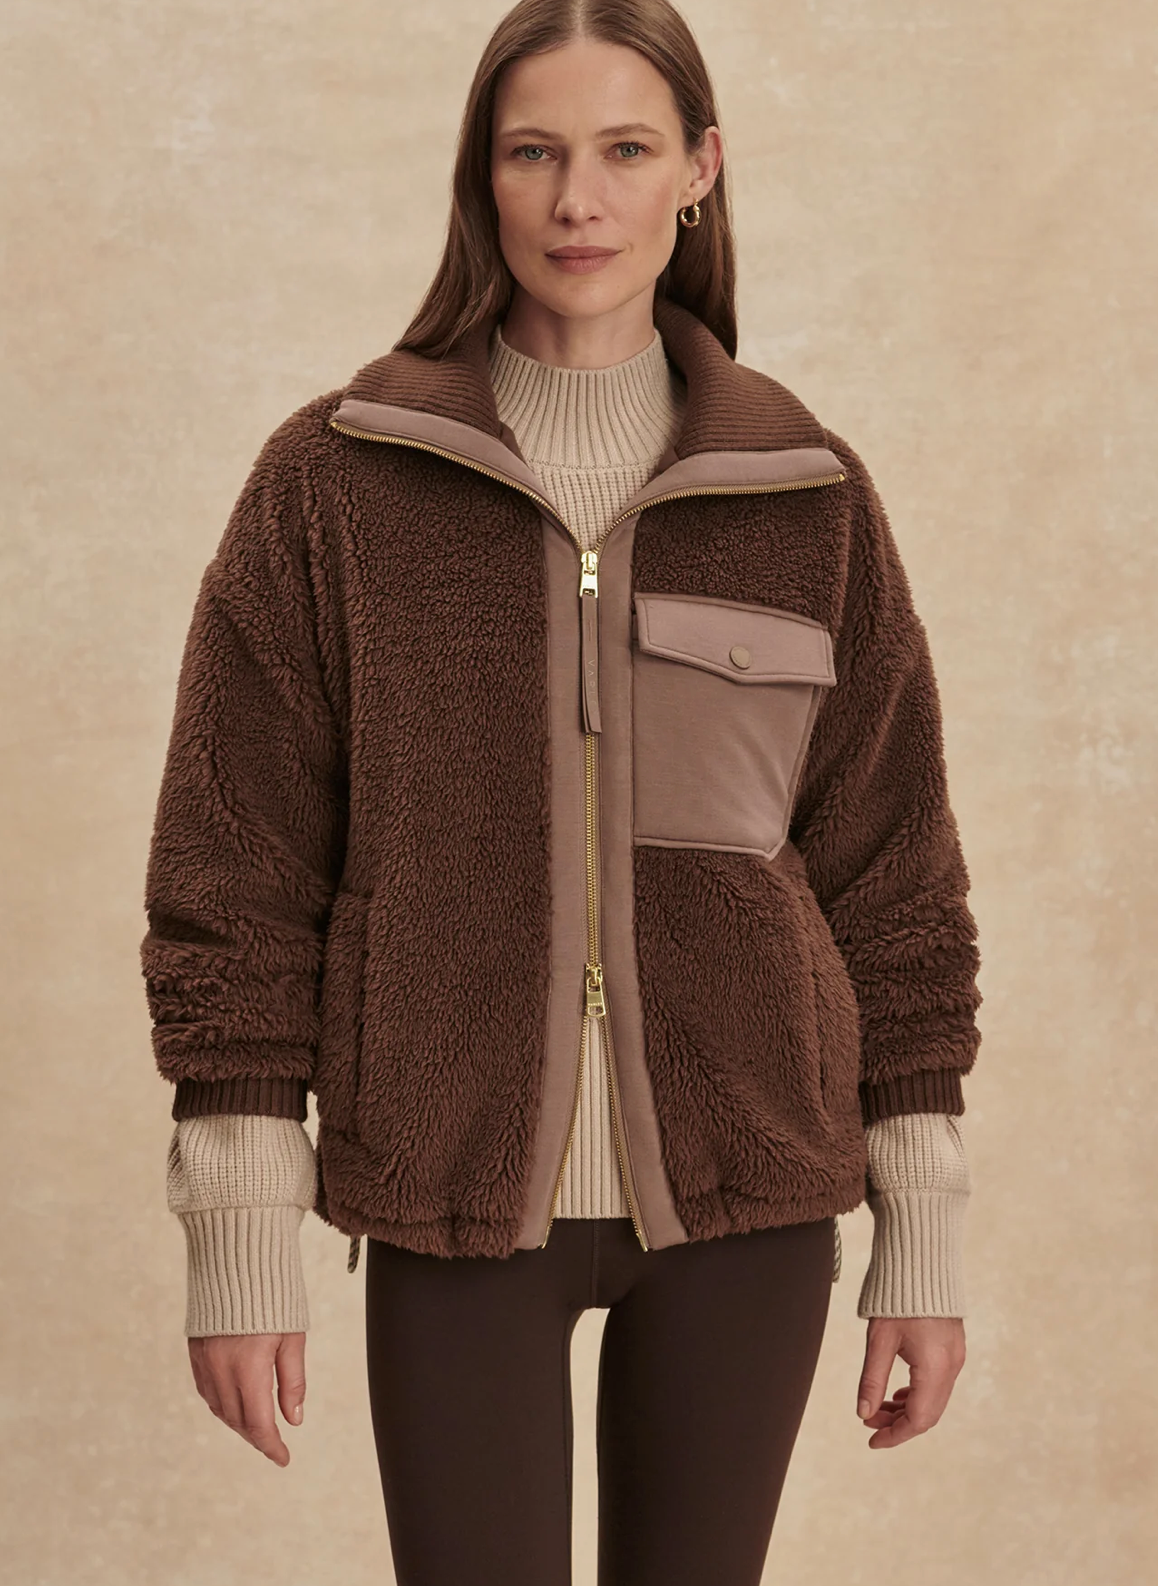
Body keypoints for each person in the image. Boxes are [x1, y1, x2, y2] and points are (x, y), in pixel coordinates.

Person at [141, 2, 981, 1581]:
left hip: (749, 1199)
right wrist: (238, 1227)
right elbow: (233, 872)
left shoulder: (803, 494)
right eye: (533, 153)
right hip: (449, 1191)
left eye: (624, 150)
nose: (578, 201)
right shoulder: (337, 482)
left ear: (699, 170)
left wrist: (918, 1230)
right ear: (482, 175)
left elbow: (893, 882)